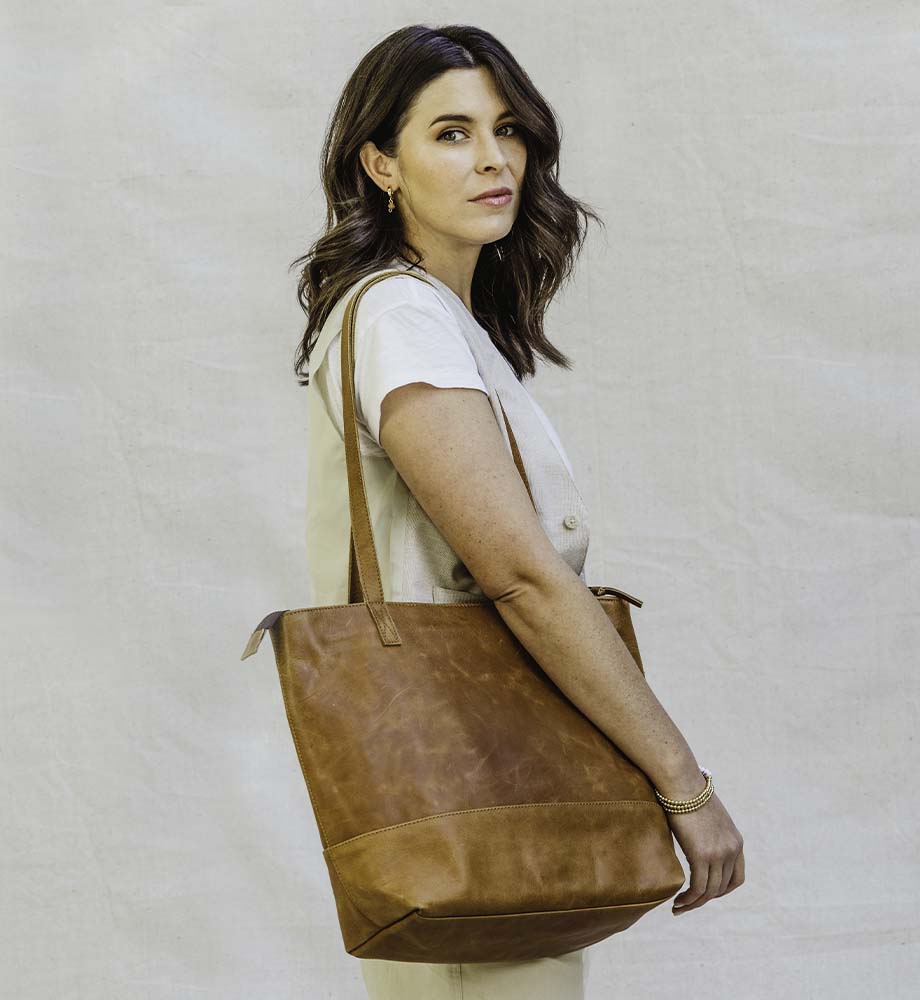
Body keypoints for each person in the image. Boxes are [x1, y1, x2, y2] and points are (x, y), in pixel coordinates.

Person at [289, 23, 745, 1000]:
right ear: (381, 164)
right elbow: (519, 575)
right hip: (468, 819)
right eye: (449, 133)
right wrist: (683, 785)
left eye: (507, 128)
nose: (492, 157)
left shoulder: (439, 321)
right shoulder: (404, 318)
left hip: (488, 816)